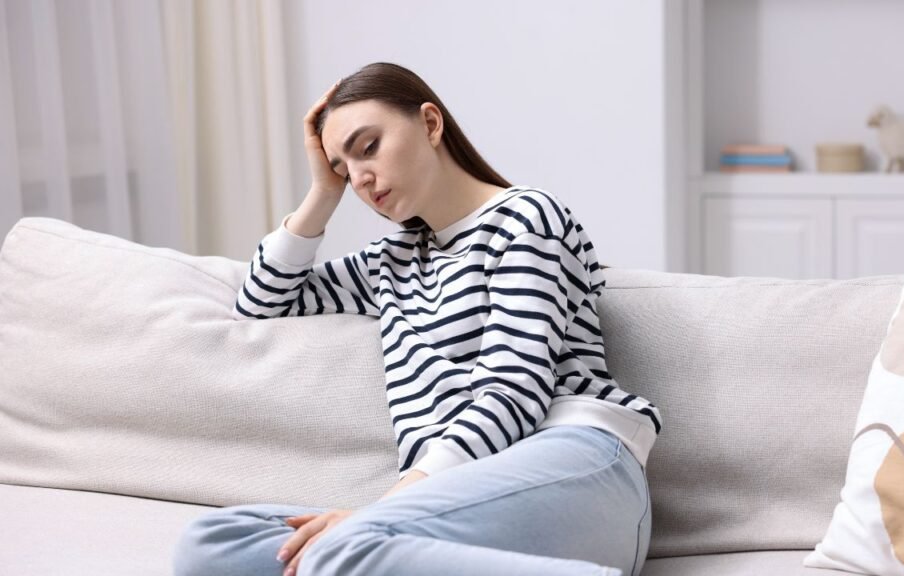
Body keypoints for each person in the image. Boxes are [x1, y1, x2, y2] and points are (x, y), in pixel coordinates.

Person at [172, 62, 662, 576]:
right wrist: (323, 192)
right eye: (343, 168)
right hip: (452, 496)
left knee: (346, 546)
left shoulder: (527, 219)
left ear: (430, 124)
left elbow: (514, 395)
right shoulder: (393, 260)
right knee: (212, 543)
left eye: (368, 147)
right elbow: (263, 305)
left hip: (576, 464)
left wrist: (382, 512)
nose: (359, 177)